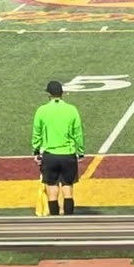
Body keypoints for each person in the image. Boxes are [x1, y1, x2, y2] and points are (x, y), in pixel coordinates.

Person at [33, 80, 84, 216]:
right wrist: (80, 151)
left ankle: (54, 220)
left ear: (49, 94)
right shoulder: (71, 109)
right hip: (68, 154)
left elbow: (36, 133)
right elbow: (77, 133)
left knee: (52, 188)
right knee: (67, 187)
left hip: (50, 155)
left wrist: (36, 150)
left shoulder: (42, 110)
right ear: (62, 93)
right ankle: (69, 219)